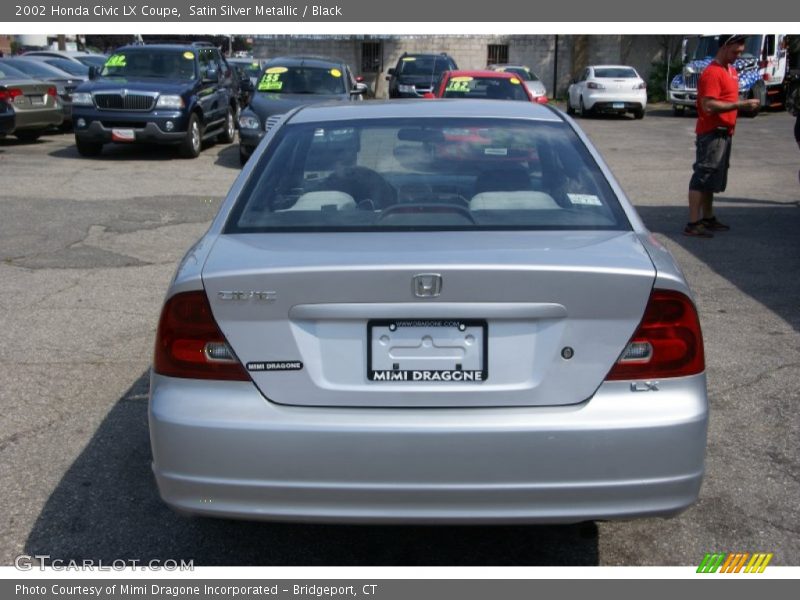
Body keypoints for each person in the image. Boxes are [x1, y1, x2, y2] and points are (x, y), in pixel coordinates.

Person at [685, 35, 760, 237]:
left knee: (712, 177)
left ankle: (707, 218)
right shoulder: (712, 72)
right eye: (735, 51)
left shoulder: (732, 71)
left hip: (725, 132)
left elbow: (727, 98)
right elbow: (708, 105)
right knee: (702, 176)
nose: (738, 56)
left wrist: (743, 105)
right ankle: (693, 223)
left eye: (740, 52)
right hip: (711, 132)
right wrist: (740, 105)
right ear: (725, 47)